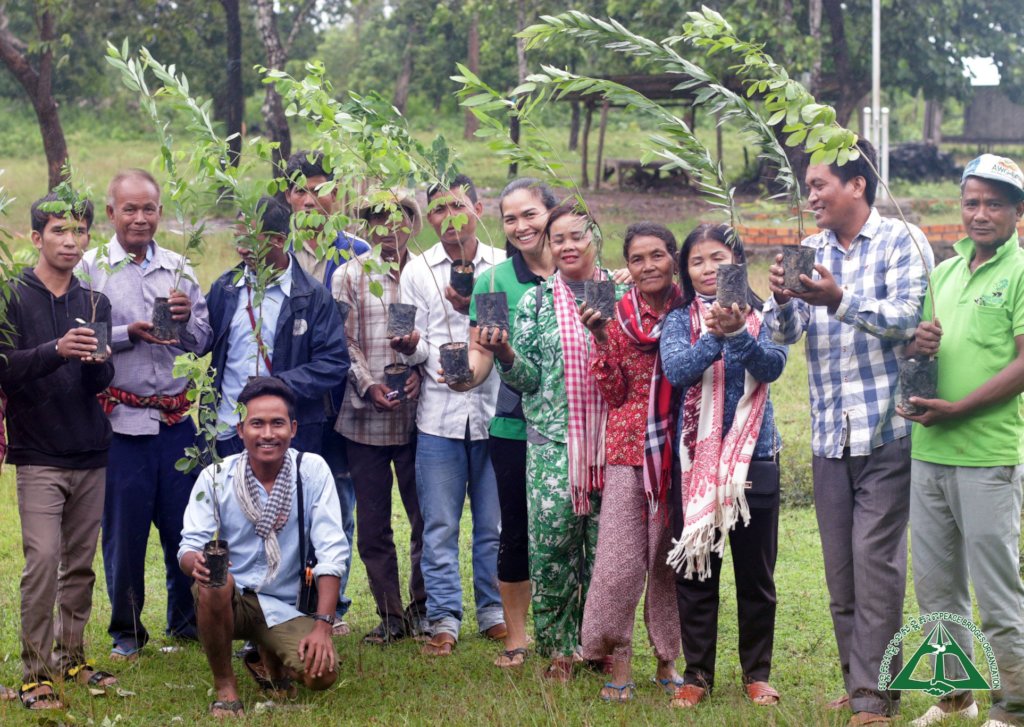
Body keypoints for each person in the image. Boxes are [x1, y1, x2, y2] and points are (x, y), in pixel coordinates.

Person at [763, 140, 932, 726]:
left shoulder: (901, 241)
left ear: (857, 184)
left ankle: (873, 699)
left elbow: (908, 316)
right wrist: (782, 300)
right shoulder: (810, 250)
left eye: (819, 184)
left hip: (886, 430)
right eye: (808, 186)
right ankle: (858, 681)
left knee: (875, 566)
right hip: (828, 435)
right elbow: (784, 334)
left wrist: (839, 299)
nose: (810, 196)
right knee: (841, 574)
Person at [899, 155, 1024, 727]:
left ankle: (1013, 706)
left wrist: (959, 409)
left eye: (994, 203)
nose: (980, 213)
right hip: (930, 453)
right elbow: (921, 355)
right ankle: (956, 696)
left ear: (1017, 212)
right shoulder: (945, 273)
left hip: (987, 455)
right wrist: (917, 348)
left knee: (997, 593)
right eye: (972, 202)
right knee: (936, 593)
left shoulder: (1019, 271)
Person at [78, 168, 213, 660]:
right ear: (111, 212)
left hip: (176, 423)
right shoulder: (91, 269)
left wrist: (187, 319)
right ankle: (127, 632)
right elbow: (80, 340)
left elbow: (202, 341)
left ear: (159, 211)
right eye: (129, 209)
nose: (140, 218)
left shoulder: (179, 268)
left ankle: (187, 621)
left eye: (149, 209)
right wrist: (126, 334)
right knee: (124, 533)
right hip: (121, 423)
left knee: (186, 527)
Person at [493, 200, 626, 680]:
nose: (568, 246)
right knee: (552, 552)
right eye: (558, 239)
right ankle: (559, 650)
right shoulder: (537, 301)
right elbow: (527, 380)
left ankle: (600, 643)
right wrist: (506, 354)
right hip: (553, 446)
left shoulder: (620, 292)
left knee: (607, 555)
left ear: (595, 236)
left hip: (614, 444)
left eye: (577, 235)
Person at [660, 224, 787, 709]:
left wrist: (738, 333)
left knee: (756, 574)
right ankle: (697, 675)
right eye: (697, 261)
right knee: (697, 573)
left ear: (738, 262)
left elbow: (772, 366)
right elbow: (678, 370)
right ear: (686, 271)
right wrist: (716, 336)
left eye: (717, 258)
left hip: (755, 456)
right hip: (696, 461)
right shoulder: (679, 320)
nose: (708, 268)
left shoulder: (765, 314)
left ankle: (757, 674)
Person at [0, 193, 116, 710]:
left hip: (89, 449)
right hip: (38, 453)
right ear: (36, 237)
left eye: (79, 231)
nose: (71, 241)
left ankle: (72, 657)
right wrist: (55, 351)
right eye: (59, 231)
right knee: (43, 562)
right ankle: (35, 672)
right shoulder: (11, 296)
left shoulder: (94, 302)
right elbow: (5, 368)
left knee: (80, 566)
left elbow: (100, 380)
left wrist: (98, 363)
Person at [178, 377, 348, 719]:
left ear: (293, 428)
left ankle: (266, 654)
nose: (267, 434)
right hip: (232, 598)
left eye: (277, 423)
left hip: (284, 604)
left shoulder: (311, 471)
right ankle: (225, 686)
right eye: (257, 423)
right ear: (240, 429)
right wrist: (195, 562)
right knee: (216, 581)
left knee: (322, 675)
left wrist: (323, 627)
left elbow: (332, 552)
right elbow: (189, 546)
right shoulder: (217, 476)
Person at [446, 177, 557, 668]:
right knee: (515, 531)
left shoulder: (580, 271)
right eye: (510, 219)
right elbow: (481, 355)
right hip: (513, 427)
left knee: (576, 531)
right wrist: (463, 377)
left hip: (575, 430)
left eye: (530, 214)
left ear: (552, 214)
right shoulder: (494, 282)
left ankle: (579, 635)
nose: (520, 226)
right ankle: (516, 637)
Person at [393, 174, 506, 655]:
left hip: (494, 414)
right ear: (429, 218)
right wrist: (412, 348)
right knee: (438, 525)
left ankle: (494, 611)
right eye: (438, 209)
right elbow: (414, 344)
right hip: (438, 416)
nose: (449, 217)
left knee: (492, 526)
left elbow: (509, 334)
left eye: (458, 205)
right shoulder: (418, 270)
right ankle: (443, 616)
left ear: (478, 208)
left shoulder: (501, 266)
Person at [576, 222, 683, 701]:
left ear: (673, 258)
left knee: (668, 559)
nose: (647, 266)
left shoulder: (691, 311)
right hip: (626, 450)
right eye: (637, 259)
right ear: (628, 267)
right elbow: (615, 392)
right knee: (619, 562)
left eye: (657, 255)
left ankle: (668, 660)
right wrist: (600, 338)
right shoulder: (617, 316)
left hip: (680, 451)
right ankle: (617, 660)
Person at [333, 190, 427, 644]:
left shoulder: (425, 274)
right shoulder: (349, 275)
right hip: (364, 419)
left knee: (426, 518)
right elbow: (342, 341)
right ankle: (390, 614)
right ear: (367, 225)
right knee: (373, 525)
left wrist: (421, 375)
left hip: (419, 420)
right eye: (378, 220)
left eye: (398, 218)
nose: (389, 229)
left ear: (412, 222)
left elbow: (440, 333)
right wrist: (368, 384)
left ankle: (423, 608)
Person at [283, 150, 368, 635]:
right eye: (301, 190)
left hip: (343, 401)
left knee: (336, 502)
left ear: (337, 195)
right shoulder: (274, 252)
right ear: (287, 196)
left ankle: (332, 607)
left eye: (321, 189)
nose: (311, 200)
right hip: (289, 401)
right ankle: (285, 602)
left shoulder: (358, 253)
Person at [205, 195, 349, 456]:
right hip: (229, 430)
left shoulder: (312, 297)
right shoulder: (226, 288)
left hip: (289, 435)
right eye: (238, 240)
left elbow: (333, 363)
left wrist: (277, 385)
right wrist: (184, 319)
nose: (242, 250)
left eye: (251, 241)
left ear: (279, 241)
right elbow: (201, 342)